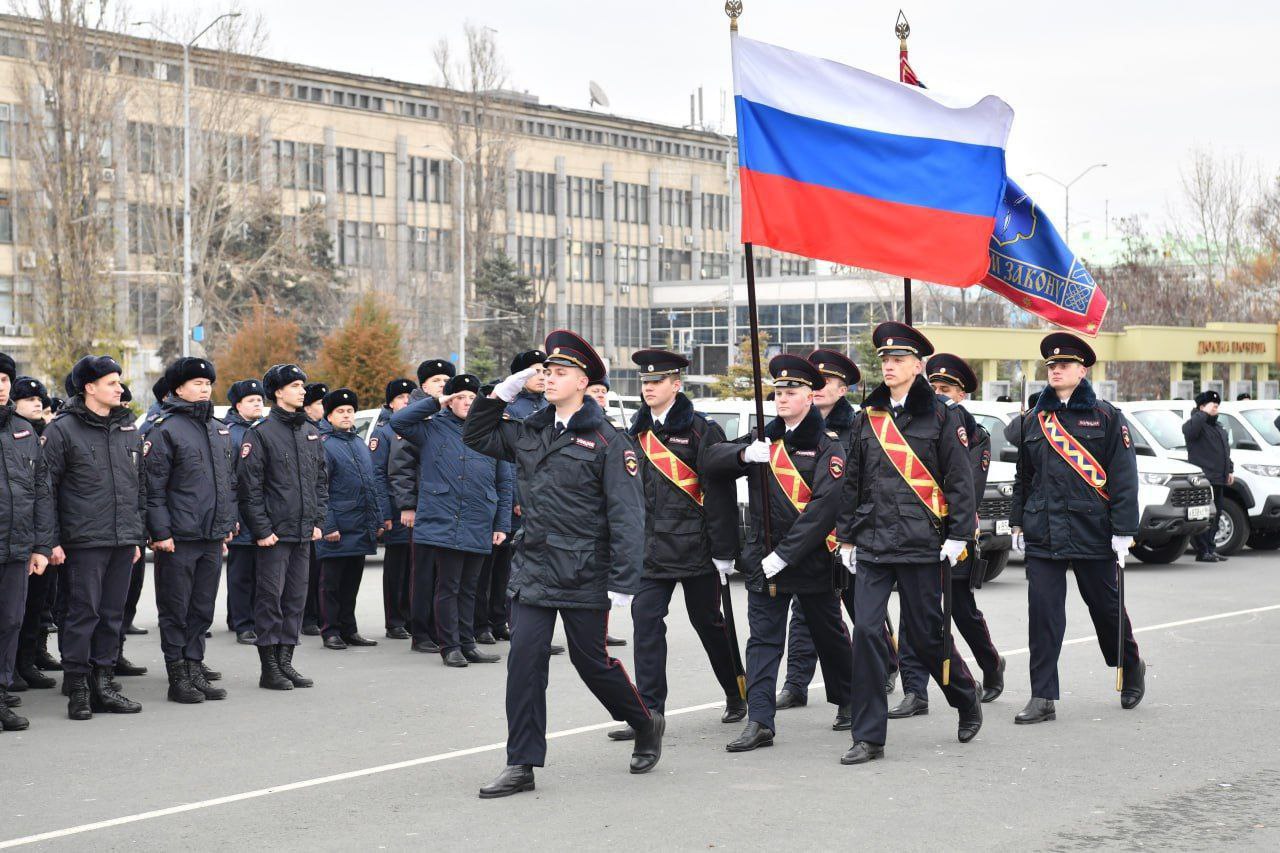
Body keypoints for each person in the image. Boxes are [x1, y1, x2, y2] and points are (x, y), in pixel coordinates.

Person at [466, 330, 659, 798]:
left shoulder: (610, 442)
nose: (549, 379)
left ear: (583, 381)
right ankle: (522, 763)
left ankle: (643, 722)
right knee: (525, 663)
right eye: (546, 372)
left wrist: (623, 582)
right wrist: (503, 391)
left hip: (585, 570)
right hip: (533, 565)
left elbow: (628, 516)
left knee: (591, 661)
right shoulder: (532, 429)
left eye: (560, 373)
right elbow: (476, 435)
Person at [836, 323, 982, 765]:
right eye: (884, 360)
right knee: (865, 632)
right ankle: (869, 737)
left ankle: (964, 694)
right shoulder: (867, 417)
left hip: (922, 543)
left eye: (898, 360)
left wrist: (959, 535)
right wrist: (845, 537)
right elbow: (852, 482)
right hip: (875, 542)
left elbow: (959, 479)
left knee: (925, 635)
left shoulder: (942, 416)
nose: (889, 366)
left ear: (918, 366)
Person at [702, 355, 853, 753]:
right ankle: (760, 721)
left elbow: (824, 507)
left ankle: (849, 699)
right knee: (763, 640)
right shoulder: (764, 441)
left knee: (829, 634)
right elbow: (709, 461)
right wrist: (742, 456)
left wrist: (785, 554)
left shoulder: (827, 446)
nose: (782, 398)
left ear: (810, 396)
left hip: (810, 559)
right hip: (762, 558)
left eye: (791, 392)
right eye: (779, 392)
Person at [606, 349, 744, 744]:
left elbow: (719, 493)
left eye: (657, 382)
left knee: (709, 624)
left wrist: (724, 550)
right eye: (645, 382)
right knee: (645, 623)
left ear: (676, 385)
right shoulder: (634, 432)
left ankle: (736, 691)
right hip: (651, 550)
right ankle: (649, 714)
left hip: (695, 548)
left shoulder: (702, 430)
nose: (648, 388)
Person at [1009, 332, 1144, 724]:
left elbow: (1123, 476)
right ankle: (1042, 695)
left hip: (1093, 529)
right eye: (1051, 365)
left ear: (1082, 370)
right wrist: (1018, 520)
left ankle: (1130, 665)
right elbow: (1024, 476)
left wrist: (1123, 530)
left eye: (1064, 365)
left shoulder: (1105, 416)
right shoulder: (1035, 419)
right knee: (1044, 614)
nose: (1056, 370)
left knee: (1106, 609)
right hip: (1043, 532)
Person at [776, 348, 897, 723]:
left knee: (861, 611)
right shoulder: (792, 428)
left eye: (829, 382)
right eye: (817, 381)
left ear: (843, 390)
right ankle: (796, 683)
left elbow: (868, 479)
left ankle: (886, 666)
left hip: (848, 534)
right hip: (810, 536)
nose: (821, 387)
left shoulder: (859, 425)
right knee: (806, 612)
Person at [890, 353, 1005, 720]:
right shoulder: (917, 424)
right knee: (915, 614)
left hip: (954, 534)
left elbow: (967, 485)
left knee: (961, 611)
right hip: (917, 535)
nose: (939, 395)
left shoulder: (975, 435)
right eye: (934, 388)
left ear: (962, 396)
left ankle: (990, 663)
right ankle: (915, 691)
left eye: (947, 390)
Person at [43, 355, 146, 720]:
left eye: (119, 382)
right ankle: (79, 688)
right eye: (112, 382)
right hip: (83, 540)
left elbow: (137, 487)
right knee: (81, 614)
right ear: (90, 387)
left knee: (111, 615)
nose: (120, 388)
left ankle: (104, 684)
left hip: (122, 540)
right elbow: (46, 489)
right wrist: (51, 540)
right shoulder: (62, 430)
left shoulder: (127, 428)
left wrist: (135, 537)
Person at [392, 374, 513, 666]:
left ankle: (468, 643)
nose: (466, 403)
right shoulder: (431, 428)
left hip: (479, 517)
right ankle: (451, 646)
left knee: (471, 586)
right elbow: (399, 422)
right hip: (444, 517)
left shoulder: (489, 432)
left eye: (472, 398)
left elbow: (504, 481)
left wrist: (501, 524)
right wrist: (436, 401)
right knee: (449, 585)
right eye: (460, 397)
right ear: (449, 401)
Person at [142, 357, 237, 704]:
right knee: (175, 609)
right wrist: (161, 533)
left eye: (208, 383)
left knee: (202, 608)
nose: (204, 388)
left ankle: (195, 667)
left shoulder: (217, 428)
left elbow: (228, 482)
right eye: (197, 383)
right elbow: (153, 488)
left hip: (211, 535)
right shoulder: (165, 429)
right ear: (178, 388)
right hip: (178, 538)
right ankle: (177, 675)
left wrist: (226, 524)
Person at [237, 364, 328, 691]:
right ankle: (269, 667)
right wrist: (262, 530)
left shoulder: (310, 431)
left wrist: (318, 521)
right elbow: (250, 488)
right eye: (295, 386)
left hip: (303, 532)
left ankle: (286, 662)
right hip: (274, 535)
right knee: (269, 600)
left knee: (294, 600)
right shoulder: (260, 433)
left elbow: (320, 480)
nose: (303, 391)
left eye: (303, 385)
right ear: (278, 392)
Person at [387, 359, 456, 654]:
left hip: (449, 506)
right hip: (423, 506)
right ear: (424, 385)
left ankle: (444, 629)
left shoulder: (450, 413)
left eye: (446, 380)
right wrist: (407, 505)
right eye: (437, 380)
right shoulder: (417, 416)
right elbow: (401, 466)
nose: (442, 384)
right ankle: (421, 630)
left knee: (448, 575)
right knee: (424, 572)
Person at [0, 361, 53, 730]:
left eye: (4, 380)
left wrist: (41, 546)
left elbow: (41, 491)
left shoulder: (23, 432)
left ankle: (1, 693)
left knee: (11, 621)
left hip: (17, 548)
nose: (0, 387)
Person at [315, 388, 389, 649]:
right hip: (338, 527)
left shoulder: (358, 442)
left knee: (351, 583)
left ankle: (349, 629)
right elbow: (320, 488)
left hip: (359, 526)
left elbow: (371, 485)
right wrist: (328, 525)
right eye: (341, 412)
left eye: (350, 411)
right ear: (330, 415)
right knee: (331, 585)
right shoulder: (324, 444)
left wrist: (378, 520)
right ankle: (331, 630)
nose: (347, 415)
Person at [10, 377, 58, 699]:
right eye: (28, 398)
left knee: (36, 605)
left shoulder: (42, 435)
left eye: (39, 398)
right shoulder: (16, 433)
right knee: (16, 610)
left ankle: (27, 661)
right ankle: (12, 667)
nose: (36, 403)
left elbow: (47, 492)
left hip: (37, 535)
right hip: (13, 537)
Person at [370, 378, 415, 640]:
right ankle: (395, 620)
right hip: (396, 510)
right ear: (390, 402)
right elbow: (378, 475)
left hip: (417, 512)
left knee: (414, 568)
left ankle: (410, 616)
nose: (407, 401)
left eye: (410, 397)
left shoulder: (416, 427)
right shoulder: (384, 433)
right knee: (397, 569)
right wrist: (385, 513)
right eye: (401, 398)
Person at [224, 379, 266, 644]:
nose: (258, 403)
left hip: (261, 511)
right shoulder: (229, 433)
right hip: (240, 511)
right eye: (252, 400)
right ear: (238, 405)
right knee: (241, 573)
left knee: (260, 572)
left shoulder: (263, 430)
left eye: (260, 400)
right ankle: (242, 623)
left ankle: (244, 617)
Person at [1183, 390, 1233, 563]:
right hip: (1204, 479)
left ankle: (1210, 549)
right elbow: (1188, 432)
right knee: (1203, 515)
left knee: (1216, 514)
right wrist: (1202, 413)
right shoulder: (1195, 425)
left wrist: (1230, 470)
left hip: (1219, 478)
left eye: (1217, 406)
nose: (1215, 408)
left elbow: (1226, 452)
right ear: (1201, 407)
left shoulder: (1218, 428)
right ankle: (1202, 551)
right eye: (1212, 405)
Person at [301, 382, 330, 635]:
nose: (324, 407)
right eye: (320, 403)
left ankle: (317, 615)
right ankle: (307, 617)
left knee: (318, 571)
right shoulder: (306, 431)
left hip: (316, 512)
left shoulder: (320, 432)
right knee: (307, 573)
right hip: (302, 513)